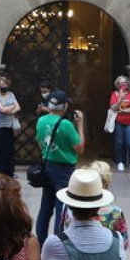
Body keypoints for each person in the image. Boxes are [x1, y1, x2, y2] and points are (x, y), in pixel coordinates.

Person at [33, 90, 84, 247]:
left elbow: (39, 141)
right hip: (63, 169)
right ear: (65, 106)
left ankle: (40, 243)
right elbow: (79, 148)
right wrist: (80, 125)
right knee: (61, 209)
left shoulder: (41, 121)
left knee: (45, 207)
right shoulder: (67, 125)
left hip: (47, 165)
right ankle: (57, 244)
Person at [59, 161, 130, 251]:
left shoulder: (67, 207)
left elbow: (61, 232)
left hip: (71, 254)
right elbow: (123, 244)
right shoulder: (115, 213)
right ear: (106, 186)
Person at [0, 76, 20, 178]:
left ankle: (9, 172)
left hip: (9, 127)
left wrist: (9, 109)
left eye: (5, 84)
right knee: (0, 151)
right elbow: (2, 110)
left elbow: (18, 107)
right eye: (1, 85)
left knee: (9, 151)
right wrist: (12, 107)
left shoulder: (11, 95)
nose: (3, 86)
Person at [108, 76, 130, 173]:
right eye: (121, 83)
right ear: (117, 85)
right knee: (119, 143)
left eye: (125, 82)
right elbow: (113, 108)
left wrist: (123, 110)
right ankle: (120, 162)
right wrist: (120, 99)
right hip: (118, 122)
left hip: (129, 122)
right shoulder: (115, 94)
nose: (123, 84)